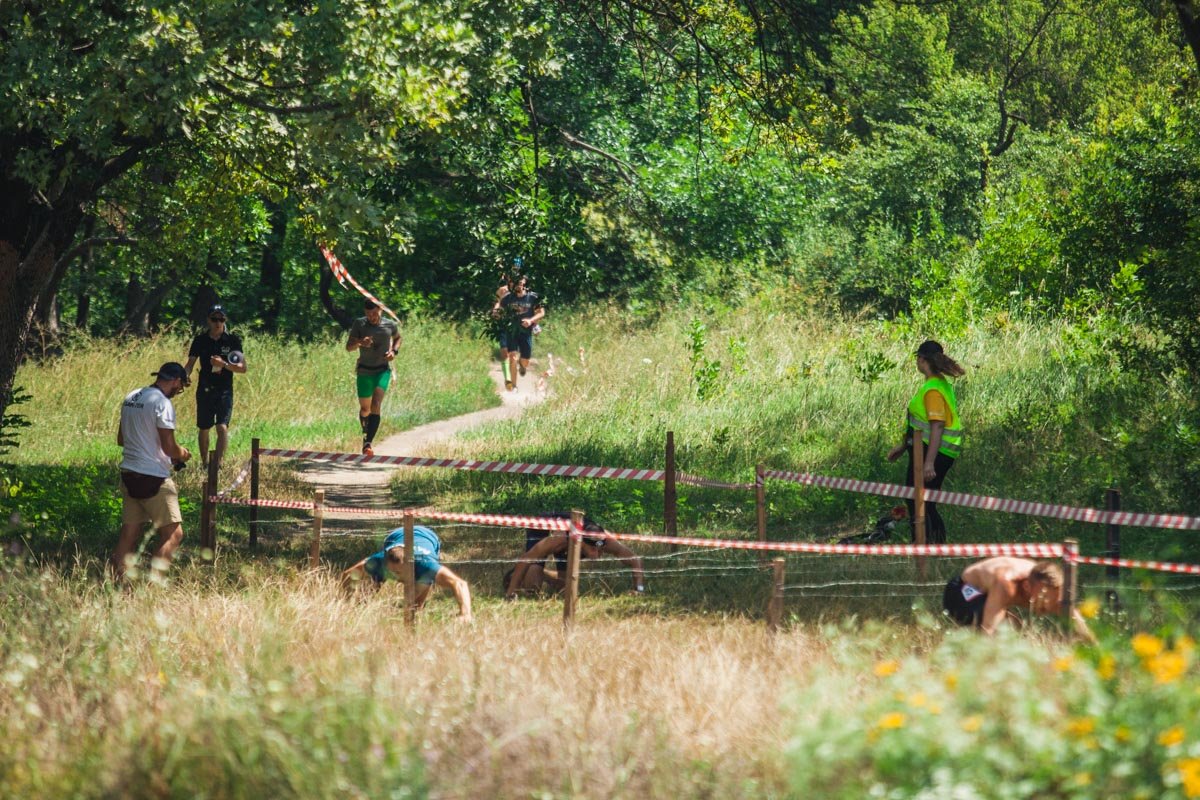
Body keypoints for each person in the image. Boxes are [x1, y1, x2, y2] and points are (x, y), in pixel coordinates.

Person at [111, 362, 192, 580]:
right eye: (180, 386)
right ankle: (153, 588)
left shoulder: (133, 396)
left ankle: (118, 582)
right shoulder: (162, 403)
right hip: (153, 478)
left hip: (128, 474)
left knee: (129, 534)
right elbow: (169, 447)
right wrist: (182, 453)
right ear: (175, 380)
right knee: (173, 535)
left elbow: (121, 439)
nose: (179, 391)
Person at [886, 340, 964, 544]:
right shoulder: (936, 384)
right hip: (927, 449)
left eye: (917, 359)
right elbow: (919, 424)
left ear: (921, 359)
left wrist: (929, 463)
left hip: (934, 453)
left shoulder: (933, 390)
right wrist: (903, 446)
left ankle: (929, 546)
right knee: (918, 499)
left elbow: (937, 426)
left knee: (921, 501)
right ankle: (926, 545)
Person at [943, 557, 1095, 642]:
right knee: (1006, 628)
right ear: (1027, 587)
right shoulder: (1006, 584)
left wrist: (1096, 649)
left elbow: (1072, 616)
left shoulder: (1053, 587)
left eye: (1051, 601)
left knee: (1016, 629)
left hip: (989, 592)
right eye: (1041, 600)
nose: (1046, 607)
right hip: (962, 592)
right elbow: (988, 630)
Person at [341, 525, 473, 621]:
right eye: (391, 572)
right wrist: (346, 599)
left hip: (428, 536)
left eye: (399, 572)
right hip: (396, 535)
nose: (396, 577)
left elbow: (459, 583)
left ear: (411, 565)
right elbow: (347, 575)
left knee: (416, 606)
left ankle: (414, 619)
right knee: (365, 598)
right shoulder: (379, 560)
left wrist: (465, 614)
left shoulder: (425, 565)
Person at [504, 513, 645, 599]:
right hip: (545, 524)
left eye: (600, 550)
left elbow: (635, 560)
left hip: (571, 537)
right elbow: (526, 558)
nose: (597, 555)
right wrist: (510, 594)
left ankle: (543, 574)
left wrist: (638, 589)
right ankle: (519, 578)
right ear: (581, 542)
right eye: (593, 550)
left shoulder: (604, 539)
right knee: (532, 588)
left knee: (565, 588)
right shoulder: (559, 540)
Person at [183, 304, 246, 469]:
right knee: (204, 427)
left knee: (222, 426)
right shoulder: (200, 340)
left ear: (225, 320)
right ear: (208, 321)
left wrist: (223, 364)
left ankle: (217, 465)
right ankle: (205, 464)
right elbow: (190, 364)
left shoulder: (232, 341)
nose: (218, 322)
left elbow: (242, 368)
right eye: (214, 319)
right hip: (204, 388)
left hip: (224, 388)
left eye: (221, 319)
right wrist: (184, 376)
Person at [346, 299, 401, 456]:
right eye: (368, 314)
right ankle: (366, 432)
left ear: (381, 311)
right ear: (365, 312)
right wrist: (360, 343)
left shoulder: (390, 325)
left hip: (382, 370)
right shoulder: (359, 324)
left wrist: (394, 352)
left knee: (376, 404)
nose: (372, 317)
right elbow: (349, 347)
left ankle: (367, 443)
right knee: (365, 409)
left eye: (375, 313)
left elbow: (398, 338)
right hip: (364, 371)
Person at [497, 274, 545, 391]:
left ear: (524, 284)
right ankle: (514, 386)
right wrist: (496, 313)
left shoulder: (533, 297)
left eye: (521, 283)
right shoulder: (508, 298)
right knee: (512, 357)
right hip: (511, 331)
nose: (518, 286)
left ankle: (522, 365)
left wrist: (531, 320)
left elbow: (541, 313)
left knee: (525, 360)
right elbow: (499, 307)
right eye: (516, 283)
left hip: (525, 332)